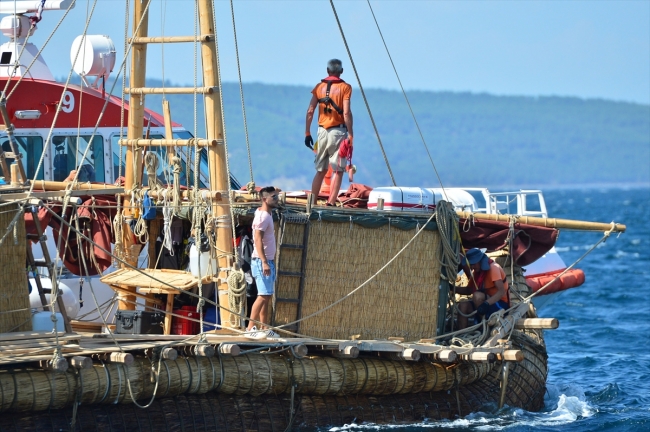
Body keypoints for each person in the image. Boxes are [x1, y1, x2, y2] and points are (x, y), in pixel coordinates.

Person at [305, 58, 353, 206]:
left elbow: (310, 111)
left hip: (321, 132)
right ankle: (331, 202)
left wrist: (307, 132)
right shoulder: (345, 87)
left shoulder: (319, 87)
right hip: (337, 131)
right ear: (342, 71)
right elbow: (346, 113)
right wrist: (350, 133)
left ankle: (311, 203)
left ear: (327, 71)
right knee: (338, 169)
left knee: (320, 169)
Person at [246, 186, 281, 338]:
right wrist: (264, 262)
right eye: (274, 197)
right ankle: (250, 328)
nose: (277, 199)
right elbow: (257, 239)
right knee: (262, 295)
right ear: (265, 199)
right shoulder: (263, 217)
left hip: (267, 261)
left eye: (277, 196)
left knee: (266, 296)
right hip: (262, 261)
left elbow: (270, 199)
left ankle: (264, 328)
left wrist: (275, 191)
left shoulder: (266, 212)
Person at [455, 248, 510, 329]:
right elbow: (469, 290)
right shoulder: (477, 273)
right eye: (471, 264)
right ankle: (461, 335)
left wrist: (486, 304)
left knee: (477, 296)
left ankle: (484, 328)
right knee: (462, 306)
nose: (472, 267)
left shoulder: (494, 268)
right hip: (485, 303)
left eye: (474, 264)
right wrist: (453, 288)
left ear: (480, 260)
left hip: (501, 305)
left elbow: (501, 292)